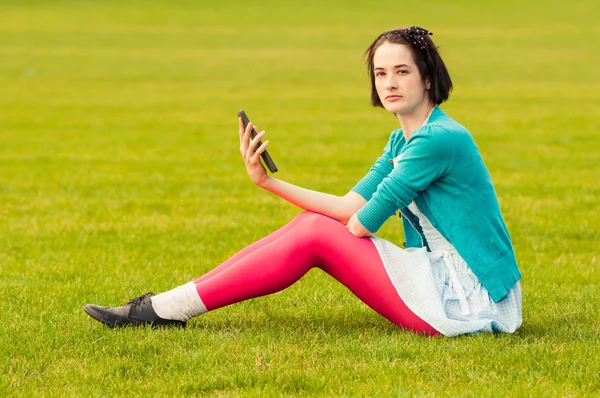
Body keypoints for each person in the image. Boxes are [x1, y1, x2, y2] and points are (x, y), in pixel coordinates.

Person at [83, 26, 522, 337]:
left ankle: (163, 310)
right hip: (446, 276)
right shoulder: (401, 138)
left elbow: (358, 220)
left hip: (468, 297)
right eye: (380, 73)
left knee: (315, 230)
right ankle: (165, 306)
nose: (389, 82)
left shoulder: (438, 140)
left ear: (427, 77)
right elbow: (350, 201)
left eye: (402, 72)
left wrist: (278, 190)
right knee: (309, 224)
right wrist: (268, 181)